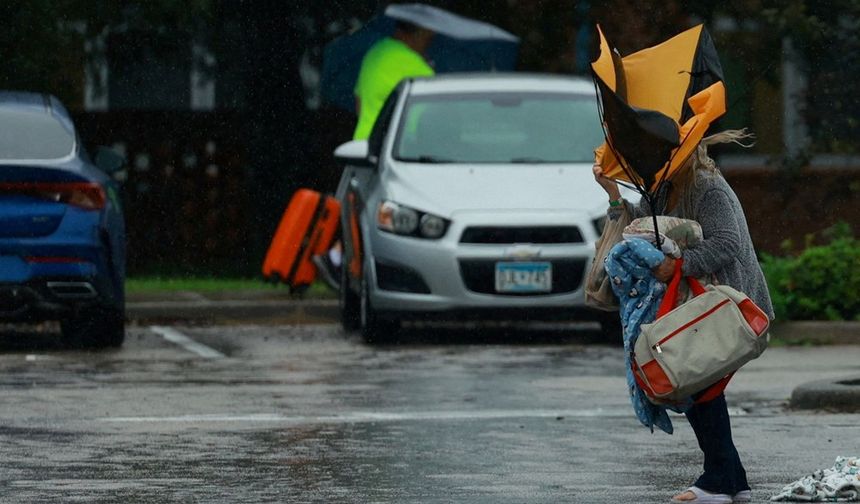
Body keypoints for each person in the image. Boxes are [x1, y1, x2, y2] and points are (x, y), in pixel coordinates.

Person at [593, 130, 775, 504]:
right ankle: (731, 479)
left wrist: (679, 263)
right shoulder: (660, 187)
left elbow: (728, 243)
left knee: (698, 382)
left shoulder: (709, 187)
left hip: (728, 303)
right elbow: (640, 228)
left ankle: (717, 482)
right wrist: (612, 193)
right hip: (695, 302)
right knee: (695, 382)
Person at [314, 21, 436, 289]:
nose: (431, 38)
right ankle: (344, 261)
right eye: (428, 33)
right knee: (388, 217)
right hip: (396, 152)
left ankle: (339, 259)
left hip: (362, 144)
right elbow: (430, 118)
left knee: (357, 210)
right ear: (418, 32)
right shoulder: (417, 68)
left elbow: (358, 102)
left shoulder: (375, 53)